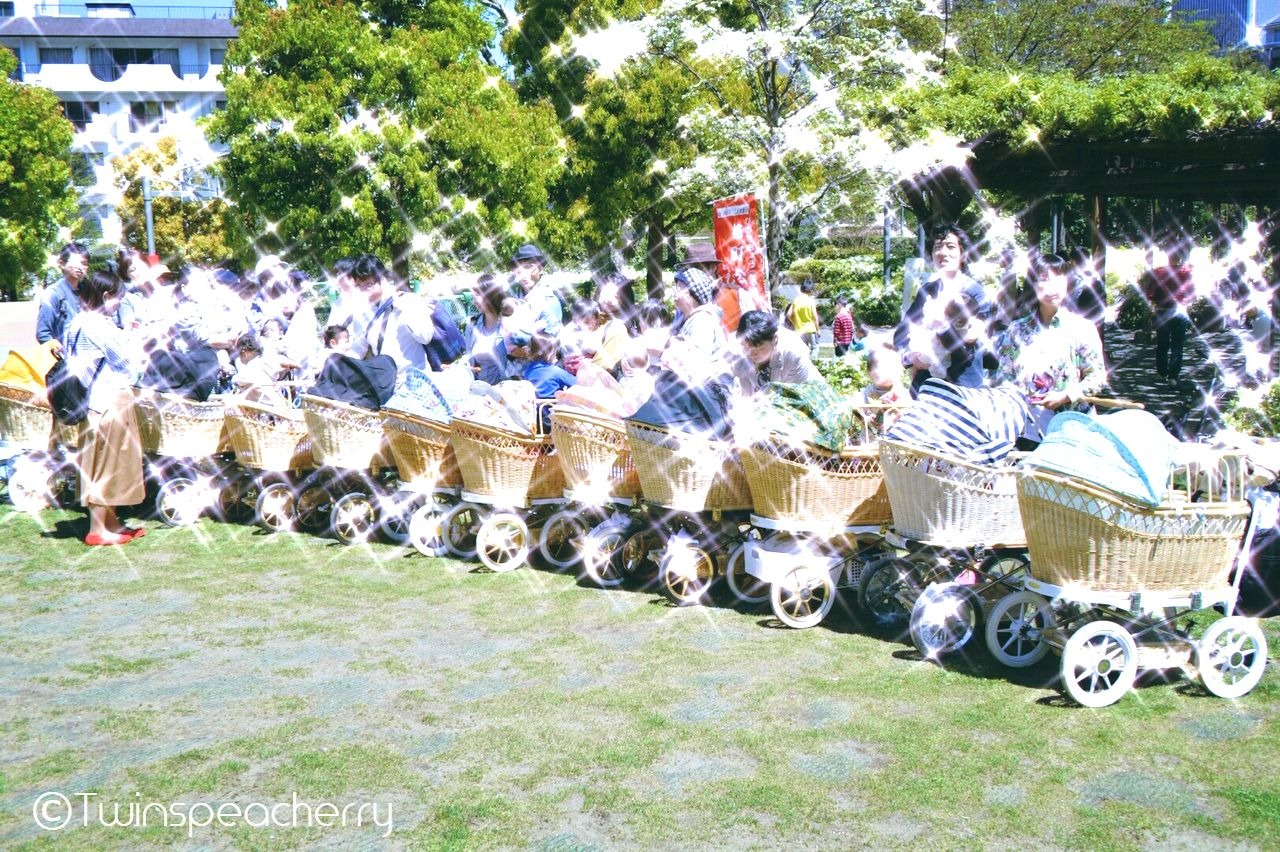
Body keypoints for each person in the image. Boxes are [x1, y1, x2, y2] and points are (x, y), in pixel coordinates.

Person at [62, 272, 145, 545]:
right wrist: (134, 340)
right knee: (107, 463)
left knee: (102, 460)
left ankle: (111, 522)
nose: (119, 304)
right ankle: (98, 528)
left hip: (90, 400)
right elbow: (125, 362)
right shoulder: (99, 325)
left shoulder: (75, 323)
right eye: (117, 298)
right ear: (106, 296)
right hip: (108, 398)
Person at [993, 254, 1106, 444]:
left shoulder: (1082, 328)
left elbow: (1097, 377)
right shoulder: (1016, 329)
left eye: (1058, 278)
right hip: (1025, 430)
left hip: (1070, 432)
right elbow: (1004, 377)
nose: (1051, 286)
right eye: (1044, 279)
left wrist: (1066, 396)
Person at [894, 223, 991, 397]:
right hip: (926, 385)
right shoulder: (927, 291)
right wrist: (911, 357)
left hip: (963, 386)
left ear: (963, 255)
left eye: (951, 247)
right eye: (937, 247)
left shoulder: (975, 293)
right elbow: (901, 334)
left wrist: (940, 325)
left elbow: (969, 348)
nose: (943, 253)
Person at [345, 254, 438, 375]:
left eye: (368, 285)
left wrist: (404, 310)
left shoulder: (409, 301)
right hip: (385, 383)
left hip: (414, 379)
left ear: (383, 279)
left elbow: (426, 337)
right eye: (359, 286)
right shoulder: (362, 312)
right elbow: (358, 348)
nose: (363, 291)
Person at [729, 310, 822, 396]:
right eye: (747, 348)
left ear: (774, 339)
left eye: (759, 348)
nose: (751, 353)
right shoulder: (735, 348)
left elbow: (799, 394)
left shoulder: (793, 352)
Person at [1141, 239, 1195, 383]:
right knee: (1178, 346)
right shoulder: (1187, 272)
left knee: (1162, 344)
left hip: (1162, 311)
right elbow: (1192, 294)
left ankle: (1162, 372)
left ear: (1168, 256)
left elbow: (1149, 293)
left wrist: (1152, 304)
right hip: (1179, 312)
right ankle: (1173, 376)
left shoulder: (1158, 272)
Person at [36, 243, 90, 357]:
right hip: (67, 364)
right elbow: (43, 334)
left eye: (85, 264)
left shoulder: (88, 292)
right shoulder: (53, 294)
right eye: (76, 262)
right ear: (62, 263)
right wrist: (61, 358)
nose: (81, 267)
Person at [466, 274, 515, 385]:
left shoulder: (509, 322)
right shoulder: (472, 324)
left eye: (479, 295)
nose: (475, 300)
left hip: (506, 388)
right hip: (480, 389)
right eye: (474, 296)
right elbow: (469, 360)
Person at [524, 332, 576, 430]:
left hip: (535, 419)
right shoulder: (556, 372)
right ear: (551, 353)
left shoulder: (528, 371)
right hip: (553, 420)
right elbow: (576, 384)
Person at [507, 243, 562, 337]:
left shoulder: (549, 300)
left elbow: (550, 342)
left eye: (529, 267)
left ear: (540, 269)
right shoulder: (512, 299)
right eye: (517, 268)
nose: (523, 273)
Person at [591, 272, 637, 374]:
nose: (608, 299)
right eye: (606, 293)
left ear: (624, 300)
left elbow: (602, 366)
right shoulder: (594, 318)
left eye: (615, 296)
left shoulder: (617, 327)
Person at [561, 298, 603, 374]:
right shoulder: (580, 334)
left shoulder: (569, 327)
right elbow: (591, 349)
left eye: (594, 322)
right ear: (575, 319)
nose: (591, 325)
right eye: (586, 322)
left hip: (568, 363)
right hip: (577, 363)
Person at [787, 279, 820, 356]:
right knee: (815, 348)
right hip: (810, 329)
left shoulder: (795, 300)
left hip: (799, 330)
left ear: (801, 289)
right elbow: (815, 317)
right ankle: (814, 363)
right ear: (811, 291)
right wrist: (818, 330)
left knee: (803, 349)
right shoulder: (811, 301)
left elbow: (788, 314)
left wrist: (795, 323)